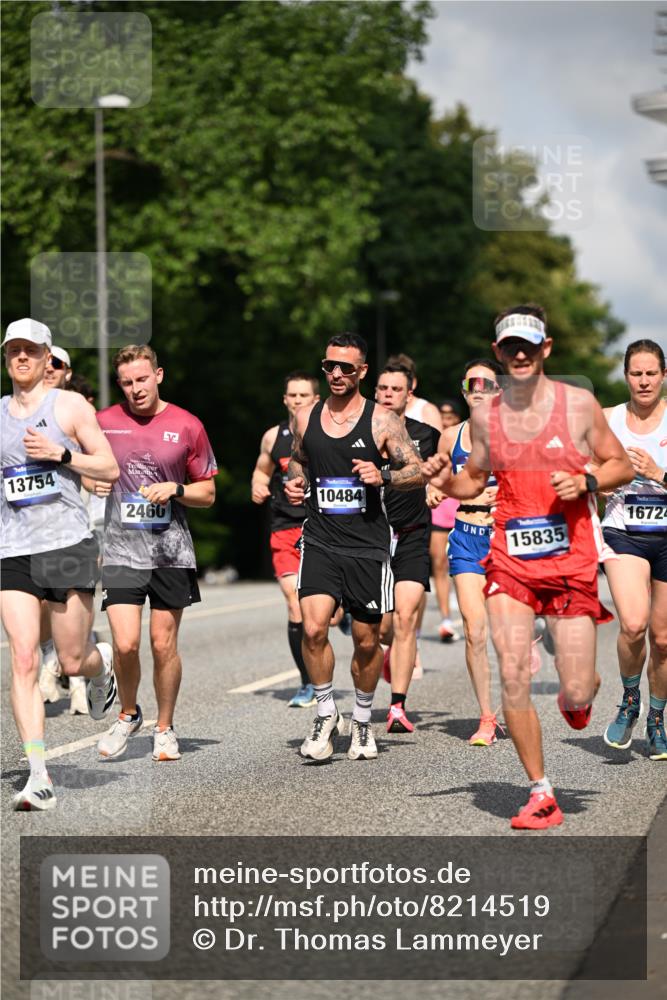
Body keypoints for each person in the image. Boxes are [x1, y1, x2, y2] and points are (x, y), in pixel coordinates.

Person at [425, 304, 633, 829]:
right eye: (510, 347)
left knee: (578, 691)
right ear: (498, 353)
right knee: (514, 671)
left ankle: (580, 693)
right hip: (510, 563)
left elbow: (620, 465)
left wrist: (587, 481)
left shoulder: (578, 405)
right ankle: (541, 792)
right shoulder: (486, 418)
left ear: (546, 348)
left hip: (569, 562)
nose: (520, 354)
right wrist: (443, 482)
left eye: (529, 346)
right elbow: (473, 481)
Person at [285, 333, 425, 762]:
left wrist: (383, 476)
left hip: (367, 546)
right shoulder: (305, 416)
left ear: (362, 371)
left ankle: (362, 719)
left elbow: (417, 471)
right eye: (329, 366)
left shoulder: (382, 420)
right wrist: (295, 482)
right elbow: (298, 461)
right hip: (320, 538)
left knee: (367, 641)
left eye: (346, 367)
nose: (337, 374)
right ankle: (326, 712)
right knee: (313, 629)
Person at [1, 319, 119, 810]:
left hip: (68, 545)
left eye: (30, 350)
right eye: (13, 350)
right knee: (24, 658)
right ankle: (39, 775)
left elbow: (109, 466)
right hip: (13, 548)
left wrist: (61, 453)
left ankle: (101, 664)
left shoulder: (69, 406)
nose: (21, 357)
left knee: (72, 660)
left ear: (47, 357)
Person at [88, 344, 217, 762]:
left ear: (158, 375)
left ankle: (165, 728)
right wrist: (92, 483)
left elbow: (208, 493)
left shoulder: (187, 425)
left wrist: (176, 489)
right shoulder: (103, 422)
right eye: (127, 383)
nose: (136, 389)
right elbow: (82, 470)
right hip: (121, 552)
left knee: (163, 645)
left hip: (170, 553)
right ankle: (128, 714)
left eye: (142, 379)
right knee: (125, 645)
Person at [600, 339, 667, 760]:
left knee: (663, 639)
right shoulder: (608, 419)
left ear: (664, 376)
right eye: (636, 373)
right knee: (633, 623)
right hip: (623, 530)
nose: (643, 381)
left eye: (650, 373)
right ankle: (629, 700)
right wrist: (602, 481)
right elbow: (588, 470)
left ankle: (656, 719)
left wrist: (658, 473)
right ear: (626, 376)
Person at [435, 359, 504, 746]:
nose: (478, 390)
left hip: (505, 540)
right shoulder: (450, 437)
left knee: (508, 635)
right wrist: (433, 490)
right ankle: (487, 718)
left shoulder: (515, 435)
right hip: (466, 536)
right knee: (475, 630)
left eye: (486, 384)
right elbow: (439, 481)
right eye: (472, 383)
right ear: (464, 390)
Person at [375, 362, 440, 733]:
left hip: (413, 534)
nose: (387, 394)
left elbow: (447, 470)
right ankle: (391, 652)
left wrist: (438, 487)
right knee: (381, 629)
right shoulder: (361, 431)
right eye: (382, 388)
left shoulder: (426, 435)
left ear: (408, 394)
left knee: (405, 619)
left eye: (395, 389)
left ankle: (397, 706)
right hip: (371, 539)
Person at [252, 371, 320, 708]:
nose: (297, 401)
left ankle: (344, 614)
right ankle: (308, 682)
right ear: (285, 399)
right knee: (295, 603)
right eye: (292, 395)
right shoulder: (272, 436)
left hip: (322, 528)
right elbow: (262, 470)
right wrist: (257, 484)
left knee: (324, 612)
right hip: (284, 528)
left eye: (303, 395)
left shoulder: (326, 433)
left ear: (316, 400)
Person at [38, 345, 91, 714]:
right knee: (40, 605)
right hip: (29, 529)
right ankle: (48, 660)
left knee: (72, 611)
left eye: (57, 363)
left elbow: (102, 465)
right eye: (46, 362)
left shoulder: (78, 411)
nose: (49, 368)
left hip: (76, 526)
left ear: (68, 372)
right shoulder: (19, 410)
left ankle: (78, 682)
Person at [431, 399, 463, 641]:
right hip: (439, 509)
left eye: (450, 417)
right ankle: (445, 619)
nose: (445, 421)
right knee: (439, 562)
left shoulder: (466, 438)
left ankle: (470, 610)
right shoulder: (433, 440)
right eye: (442, 417)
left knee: (464, 564)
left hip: (464, 508)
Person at [386, 353, 442, 432]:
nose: (389, 391)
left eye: (397, 385)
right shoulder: (379, 410)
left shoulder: (428, 411)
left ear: (413, 383)